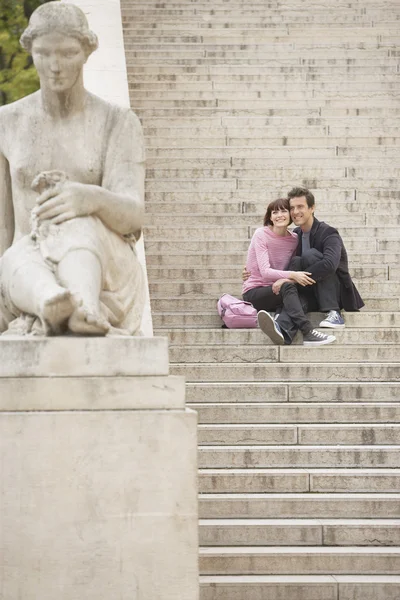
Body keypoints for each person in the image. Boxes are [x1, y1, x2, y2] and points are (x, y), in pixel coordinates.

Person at [0, 2, 145, 336]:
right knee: (16, 258)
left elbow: (134, 215)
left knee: (78, 224)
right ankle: (52, 301)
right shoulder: (7, 122)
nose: (54, 66)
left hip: (105, 267)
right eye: (43, 53)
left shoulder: (116, 122)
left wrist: (90, 198)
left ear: (87, 51)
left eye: (67, 53)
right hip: (29, 262)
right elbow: (4, 229)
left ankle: (85, 307)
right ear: (31, 52)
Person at [242, 198, 337, 346]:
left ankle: (282, 329)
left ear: (290, 215)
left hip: (280, 291)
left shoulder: (294, 239)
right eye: (275, 212)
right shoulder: (261, 234)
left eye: (283, 211)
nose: (279, 215)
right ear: (270, 216)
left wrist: (288, 278)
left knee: (302, 299)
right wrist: (292, 276)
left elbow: (292, 265)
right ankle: (308, 332)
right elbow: (266, 272)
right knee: (289, 288)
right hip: (257, 291)